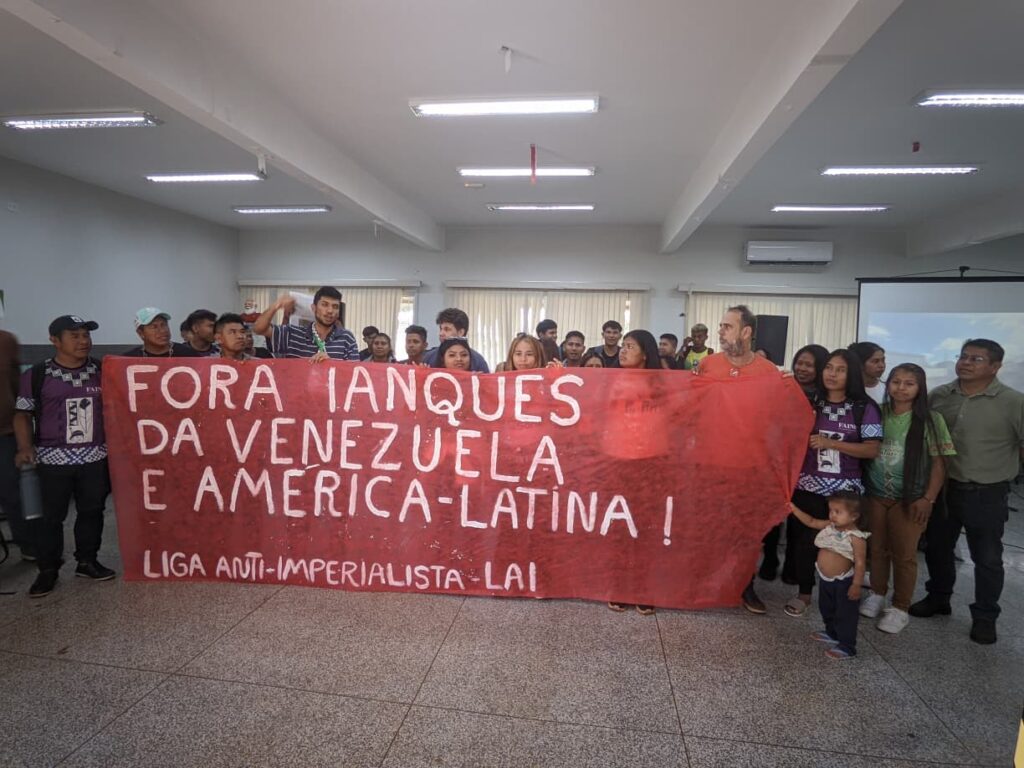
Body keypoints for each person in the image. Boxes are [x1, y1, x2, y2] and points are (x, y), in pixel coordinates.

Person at [911, 339, 1024, 645]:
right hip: (943, 489)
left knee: (987, 557)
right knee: (937, 548)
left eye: (976, 359)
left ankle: (985, 617)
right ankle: (938, 598)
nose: (966, 363)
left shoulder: (1013, 402)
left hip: (986, 493)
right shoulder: (940, 395)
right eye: (963, 357)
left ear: (995, 366)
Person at [697, 305, 793, 613]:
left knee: (748, 532)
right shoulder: (707, 365)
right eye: (721, 325)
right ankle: (707, 583)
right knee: (710, 527)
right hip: (711, 464)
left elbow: (778, 421)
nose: (720, 331)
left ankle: (745, 585)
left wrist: (789, 390)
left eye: (727, 326)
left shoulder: (768, 372)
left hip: (750, 467)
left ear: (746, 331)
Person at [14, 316, 116, 598]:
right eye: (75, 336)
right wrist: (24, 447)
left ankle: (87, 560)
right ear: (54, 341)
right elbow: (22, 414)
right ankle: (48, 570)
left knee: (92, 511)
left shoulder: (102, 370)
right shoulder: (37, 374)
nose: (83, 341)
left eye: (86, 335)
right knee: (50, 518)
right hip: (52, 460)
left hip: (95, 458)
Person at [786, 349, 881, 618]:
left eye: (840, 369)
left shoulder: (864, 407)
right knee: (803, 544)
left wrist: (832, 444)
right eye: (829, 367)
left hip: (845, 494)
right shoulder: (810, 401)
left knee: (839, 549)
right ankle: (804, 595)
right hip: (807, 486)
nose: (832, 373)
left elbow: (872, 450)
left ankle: (840, 597)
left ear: (851, 374)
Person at [861, 364, 954, 634]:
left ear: (919, 388)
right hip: (877, 494)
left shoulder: (930, 419)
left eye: (909, 383)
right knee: (877, 549)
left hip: (911, 498)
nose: (901, 388)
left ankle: (900, 607)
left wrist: (928, 498)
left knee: (904, 555)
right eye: (896, 382)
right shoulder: (877, 414)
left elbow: (939, 464)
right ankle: (877, 593)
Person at [606, 329, 664, 616]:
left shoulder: (662, 384)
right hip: (617, 461)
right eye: (623, 346)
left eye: (630, 346)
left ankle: (643, 586)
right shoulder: (609, 380)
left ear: (645, 353)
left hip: (650, 463)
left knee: (646, 527)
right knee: (619, 525)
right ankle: (620, 584)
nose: (623, 350)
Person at [775, 343, 830, 584]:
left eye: (810, 364)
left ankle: (793, 570)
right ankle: (769, 559)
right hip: (779, 461)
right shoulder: (783, 386)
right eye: (800, 362)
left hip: (809, 466)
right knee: (774, 518)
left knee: (801, 523)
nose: (803, 368)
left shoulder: (826, 396)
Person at [789, 492, 869, 659]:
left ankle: (847, 645)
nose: (832, 515)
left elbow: (860, 563)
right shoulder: (829, 526)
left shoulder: (856, 538)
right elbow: (811, 521)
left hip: (844, 581)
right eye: (831, 510)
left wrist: (856, 585)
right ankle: (832, 632)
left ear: (854, 516)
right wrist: (794, 509)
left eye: (838, 512)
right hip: (826, 579)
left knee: (845, 613)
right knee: (827, 607)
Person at [252, 286, 359, 362]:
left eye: (335, 306)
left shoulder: (346, 338)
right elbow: (258, 329)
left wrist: (330, 365)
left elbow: (353, 375)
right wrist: (277, 304)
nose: (330, 311)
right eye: (324, 305)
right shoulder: (293, 334)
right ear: (313, 308)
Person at [0, 326, 33, 560]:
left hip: (5, 432)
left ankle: (28, 546)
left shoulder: (5, 340)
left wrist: (23, 439)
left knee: (13, 494)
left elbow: (17, 385)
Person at [422, 309, 490, 372]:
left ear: (460, 332)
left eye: (447, 329)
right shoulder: (429, 357)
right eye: (441, 329)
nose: (441, 333)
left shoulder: (478, 361)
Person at [122, 308, 199, 357]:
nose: (162, 330)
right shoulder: (129, 360)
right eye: (154, 327)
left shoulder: (188, 354)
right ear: (141, 333)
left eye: (164, 325)